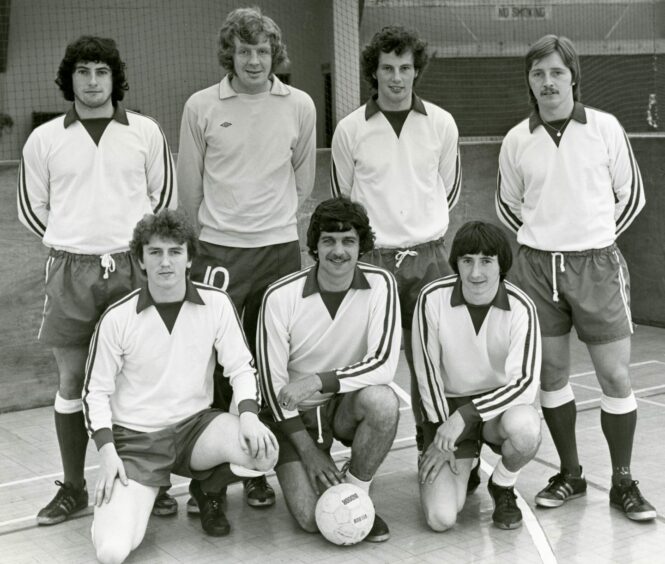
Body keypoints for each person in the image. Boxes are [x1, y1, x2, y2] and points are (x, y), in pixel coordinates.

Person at [17, 35, 176, 525]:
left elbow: (163, 197)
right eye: (83, 71)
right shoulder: (44, 139)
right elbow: (31, 210)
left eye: (101, 72)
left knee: (138, 378)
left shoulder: (145, 131)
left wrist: (126, 249)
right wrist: (75, 239)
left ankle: (151, 481)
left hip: (132, 268)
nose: (92, 81)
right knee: (71, 381)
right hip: (70, 269)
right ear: (71, 78)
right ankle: (74, 488)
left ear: (115, 77)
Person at [496, 34, 655, 521]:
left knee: (614, 375)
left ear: (573, 77)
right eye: (538, 73)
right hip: (537, 269)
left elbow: (630, 196)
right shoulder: (516, 139)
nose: (548, 82)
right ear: (529, 81)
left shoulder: (605, 129)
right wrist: (544, 242)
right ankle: (570, 473)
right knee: (552, 375)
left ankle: (623, 482)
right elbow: (508, 204)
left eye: (557, 72)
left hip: (596, 264)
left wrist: (595, 238)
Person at [177, 5, 316, 508]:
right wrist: (216, 235)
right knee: (215, 364)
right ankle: (210, 482)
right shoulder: (201, 106)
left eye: (262, 51)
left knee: (269, 361)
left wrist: (271, 223)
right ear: (229, 55)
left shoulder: (299, 104)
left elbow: (303, 180)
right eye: (244, 51)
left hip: (278, 251)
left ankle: (259, 466)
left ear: (274, 54)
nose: (254, 61)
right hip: (217, 252)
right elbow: (188, 188)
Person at [82, 210, 278, 564]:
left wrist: (248, 416)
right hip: (137, 442)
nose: (165, 261)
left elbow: (241, 368)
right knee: (112, 552)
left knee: (264, 451)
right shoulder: (117, 318)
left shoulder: (216, 303)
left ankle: (208, 488)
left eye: (175, 251)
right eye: (155, 252)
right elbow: (94, 393)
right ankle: (145, 491)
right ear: (140, 259)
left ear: (190, 258)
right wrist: (107, 453)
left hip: (195, 430)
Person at [330, 25, 461, 459]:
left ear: (416, 70)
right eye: (387, 68)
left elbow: (448, 188)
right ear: (374, 72)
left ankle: (435, 442)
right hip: (373, 262)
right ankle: (359, 449)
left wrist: (419, 229)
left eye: (405, 67)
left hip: (430, 258)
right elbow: (344, 199)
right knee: (365, 360)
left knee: (434, 359)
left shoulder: (441, 124)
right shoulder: (350, 130)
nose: (397, 77)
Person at [256, 197, 401, 542]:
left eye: (348, 241)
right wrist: (307, 453)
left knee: (383, 402)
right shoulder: (280, 296)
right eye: (329, 241)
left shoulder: (382, 284)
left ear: (361, 246)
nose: (339, 251)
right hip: (294, 415)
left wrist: (318, 381)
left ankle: (356, 495)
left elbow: (383, 364)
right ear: (314, 247)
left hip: (344, 403)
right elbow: (272, 386)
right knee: (310, 519)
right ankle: (315, 469)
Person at [412, 221, 541, 531]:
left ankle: (503, 485)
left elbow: (524, 382)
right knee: (441, 519)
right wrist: (443, 430)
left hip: (499, 412)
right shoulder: (432, 298)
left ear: (501, 264)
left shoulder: (522, 307)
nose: (475, 273)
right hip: (449, 411)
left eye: (486, 261)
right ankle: (464, 465)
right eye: (466, 260)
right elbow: (426, 372)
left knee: (525, 429)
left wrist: (468, 416)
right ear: (456, 262)